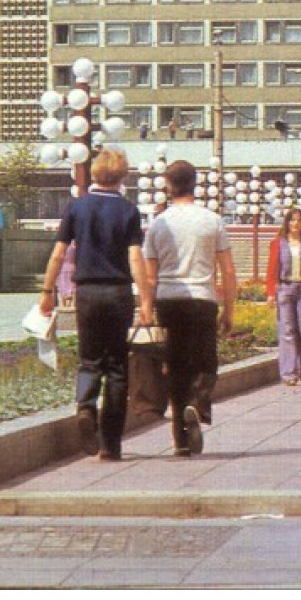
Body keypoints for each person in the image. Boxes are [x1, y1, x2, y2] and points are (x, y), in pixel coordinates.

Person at [37, 148, 151, 462]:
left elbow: (59, 253)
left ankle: (85, 406)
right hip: (117, 294)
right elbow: (135, 258)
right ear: (123, 176)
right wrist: (145, 300)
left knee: (89, 360)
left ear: (95, 174)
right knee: (116, 367)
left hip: (86, 292)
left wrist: (48, 291)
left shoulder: (77, 207)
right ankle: (111, 444)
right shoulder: (128, 210)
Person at [141, 159, 237, 457]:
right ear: (195, 183)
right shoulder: (212, 220)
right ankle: (197, 402)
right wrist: (229, 309)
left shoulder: (159, 224)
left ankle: (180, 441)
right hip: (202, 299)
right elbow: (228, 271)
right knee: (206, 363)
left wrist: (146, 308)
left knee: (176, 368)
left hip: (168, 301)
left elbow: (149, 275)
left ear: (168, 186)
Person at [266, 206, 301, 386]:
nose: (295, 224)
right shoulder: (278, 242)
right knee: (288, 331)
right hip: (285, 289)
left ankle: (300, 368)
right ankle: (289, 374)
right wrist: (270, 293)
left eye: (298, 220)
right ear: (287, 223)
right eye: (292, 220)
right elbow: (272, 269)